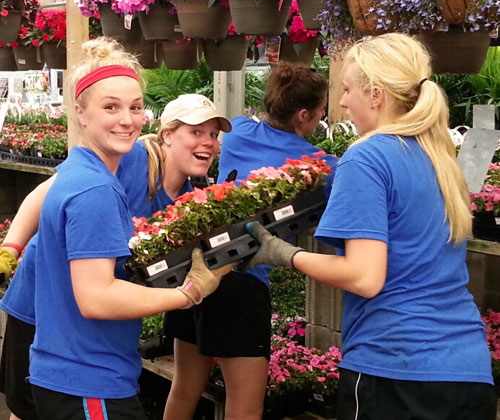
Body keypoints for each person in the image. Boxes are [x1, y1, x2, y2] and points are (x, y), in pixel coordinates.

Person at [245, 33, 497, 420]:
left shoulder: (367, 157)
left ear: (376, 95)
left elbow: (364, 277)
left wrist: (285, 255)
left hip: (396, 368)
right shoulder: (441, 157)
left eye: (347, 89)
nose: (342, 102)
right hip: (467, 371)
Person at [0, 39, 232, 420]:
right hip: (68, 344)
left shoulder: (109, 174)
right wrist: (189, 293)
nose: (127, 119)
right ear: (168, 133)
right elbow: (96, 297)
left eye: (136, 108)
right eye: (111, 107)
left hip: (71, 347)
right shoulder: (117, 171)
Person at [163, 62, 339, 420]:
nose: (323, 117)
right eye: (321, 111)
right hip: (241, 282)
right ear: (304, 115)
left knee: (184, 388)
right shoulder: (322, 165)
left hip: (195, 268)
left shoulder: (239, 131)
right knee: (245, 408)